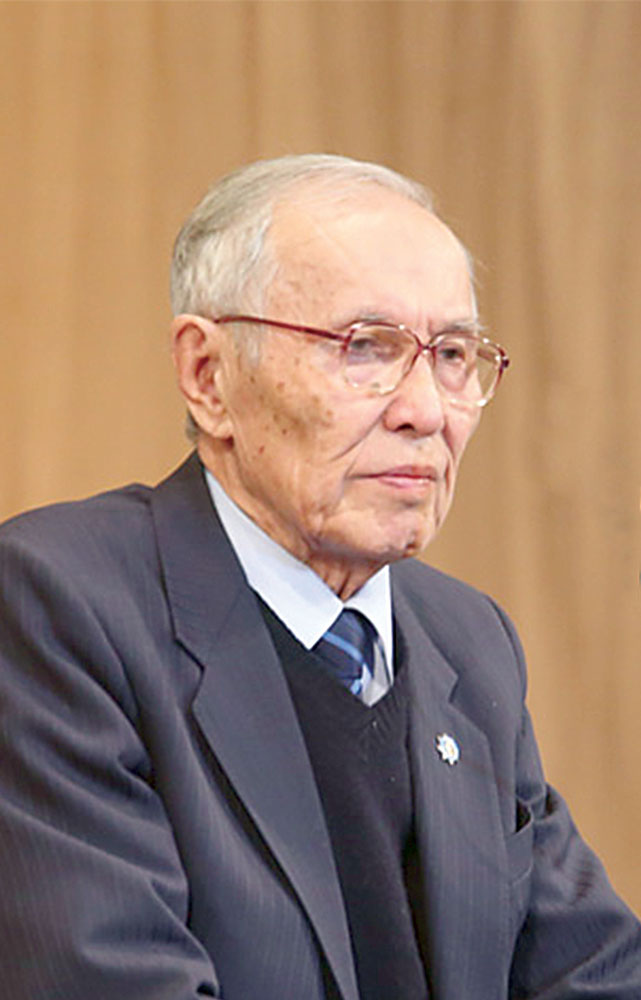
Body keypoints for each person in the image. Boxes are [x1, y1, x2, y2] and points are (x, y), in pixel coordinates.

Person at [0, 154, 639, 1000]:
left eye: (452, 354)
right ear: (208, 376)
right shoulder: (57, 606)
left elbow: (592, 973)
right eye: (365, 347)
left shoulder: (466, 641)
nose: (426, 410)